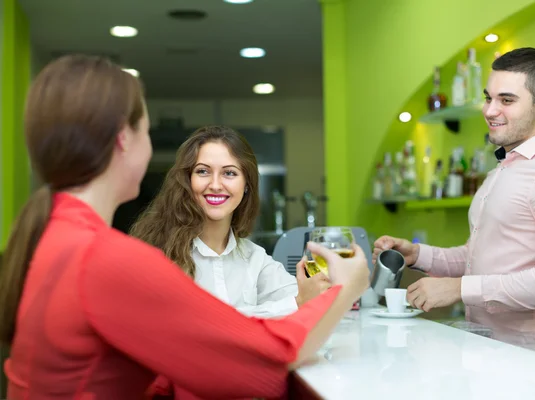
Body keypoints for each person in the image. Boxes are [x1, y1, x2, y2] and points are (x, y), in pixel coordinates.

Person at [0, 54, 370, 400]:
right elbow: (265, 362)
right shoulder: (105, 259)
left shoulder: (55, 237)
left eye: (229, 173)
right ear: (123, 139)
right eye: (147, 130)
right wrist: (343, 289)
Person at [373, 47, 535, 364]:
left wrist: (460, 289)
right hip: (488, 359)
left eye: (506, 100)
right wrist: (417, 254)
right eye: (488, 98)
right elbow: (477, 256)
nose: (490, 110)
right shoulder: (501, 171)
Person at [130, 126, 330, 319]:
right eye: (203, 171)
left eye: (229, 173)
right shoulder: (158, 253)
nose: (215, 185)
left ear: (246, 186)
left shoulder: (254, 258)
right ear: (187, 181)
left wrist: (318, 290)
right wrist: (296, 303)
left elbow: (308, 299)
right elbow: (201, 322)